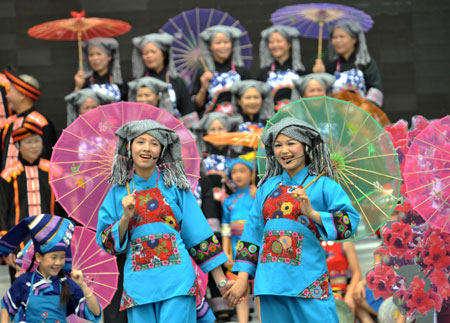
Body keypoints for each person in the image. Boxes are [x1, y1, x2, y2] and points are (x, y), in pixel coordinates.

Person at [225, 117, 360, 322]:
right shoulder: (267, 187)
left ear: (305, 146)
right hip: (270, 282)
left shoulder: (324, 185)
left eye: (290, 143)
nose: (284, 151)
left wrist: (313, 214)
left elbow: (349, 223)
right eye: (278, 145)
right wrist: (242, 278)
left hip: (308, 279)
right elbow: (251, 234)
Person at [96, 119, 232, 322]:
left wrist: (221, 282)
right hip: (138, 286)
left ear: (161, 150)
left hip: (177, 279)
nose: (147, 148)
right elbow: (107, 243)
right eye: (140, 141)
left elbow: (199, 234)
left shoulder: (175, 187)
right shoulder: (117, 193)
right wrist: (125, 217)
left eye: (154, 143)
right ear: (129, 146)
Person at [0, 214, 101, 323]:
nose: (58, 262)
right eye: (53, 257)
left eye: (62, 257)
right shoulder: (24, 282)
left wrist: (82, 285)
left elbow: (95, 312)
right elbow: (7, 306)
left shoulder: (67, 285)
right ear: (38, 257)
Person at [0, 121, 66, 283]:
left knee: (51, 288)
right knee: (21, 289)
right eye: (28, 142)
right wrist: (6, 246)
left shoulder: (53, 170)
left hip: (50, 239)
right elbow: (2, 211)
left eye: (37, 141)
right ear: (18, 146)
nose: (34, 146)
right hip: (18, 244)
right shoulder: (9, 174)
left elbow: (63, 207)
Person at [131, 33, 198, 128]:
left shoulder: (177, 81)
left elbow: (188, 111)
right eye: (145, 53)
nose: (149, 56)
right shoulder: (138, 83)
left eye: (153, 52)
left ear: (164, 54)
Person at [312, 20, 383, 108]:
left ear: (354, 39)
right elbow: (323, 95)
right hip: (337, 115)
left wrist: (365, 108)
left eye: (342, 36)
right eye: (334, 37)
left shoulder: (366, 64)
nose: (338, 40)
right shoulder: (330, 67)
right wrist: (320, 76)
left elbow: (375, 90)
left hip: (362, 114)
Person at [222, 157, 257, 323]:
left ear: (252, 174)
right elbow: (226, 230)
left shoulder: (258, 194)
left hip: (258, 248)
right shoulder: (228, 201)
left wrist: (258, 196)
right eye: (234, 172)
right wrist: (225, 252)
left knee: (259, 290)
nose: (238, 175)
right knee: (240, 291)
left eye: (242, 171)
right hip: (237, 249)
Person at [1, 66, 56, 171]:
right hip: (6, 183)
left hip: (31, 184)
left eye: (10, 91)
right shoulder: (8, 123)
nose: (7, 97)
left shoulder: (41, 123)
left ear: (22, 95)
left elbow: (46, 159)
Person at [192, 26, 250, 115]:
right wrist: (204, 88)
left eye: (226, 42)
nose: (223, 46)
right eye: (218, 43)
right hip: (212, 123)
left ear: (232, 45)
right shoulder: (203, 72)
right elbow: (198, 106)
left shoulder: (241, 71)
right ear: (210, 46)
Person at [257, 25, 305, 111]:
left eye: (279, 41)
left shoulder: (301, 70)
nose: (275, 45)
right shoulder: (264, 73)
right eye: (271, 42)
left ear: (289, 44)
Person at [73, 37, 126, 102]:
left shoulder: (119, 81)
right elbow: (75, 106)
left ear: (109, 57)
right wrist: (78, 87)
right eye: (91, 55)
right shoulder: (84, 81)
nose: (95, 58)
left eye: (99, 54)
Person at [321, 240, 361, 313]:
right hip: (319, 294)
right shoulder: (311, 243)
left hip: (341, 292)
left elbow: (357, 273)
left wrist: (349, 294)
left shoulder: (345, 242)